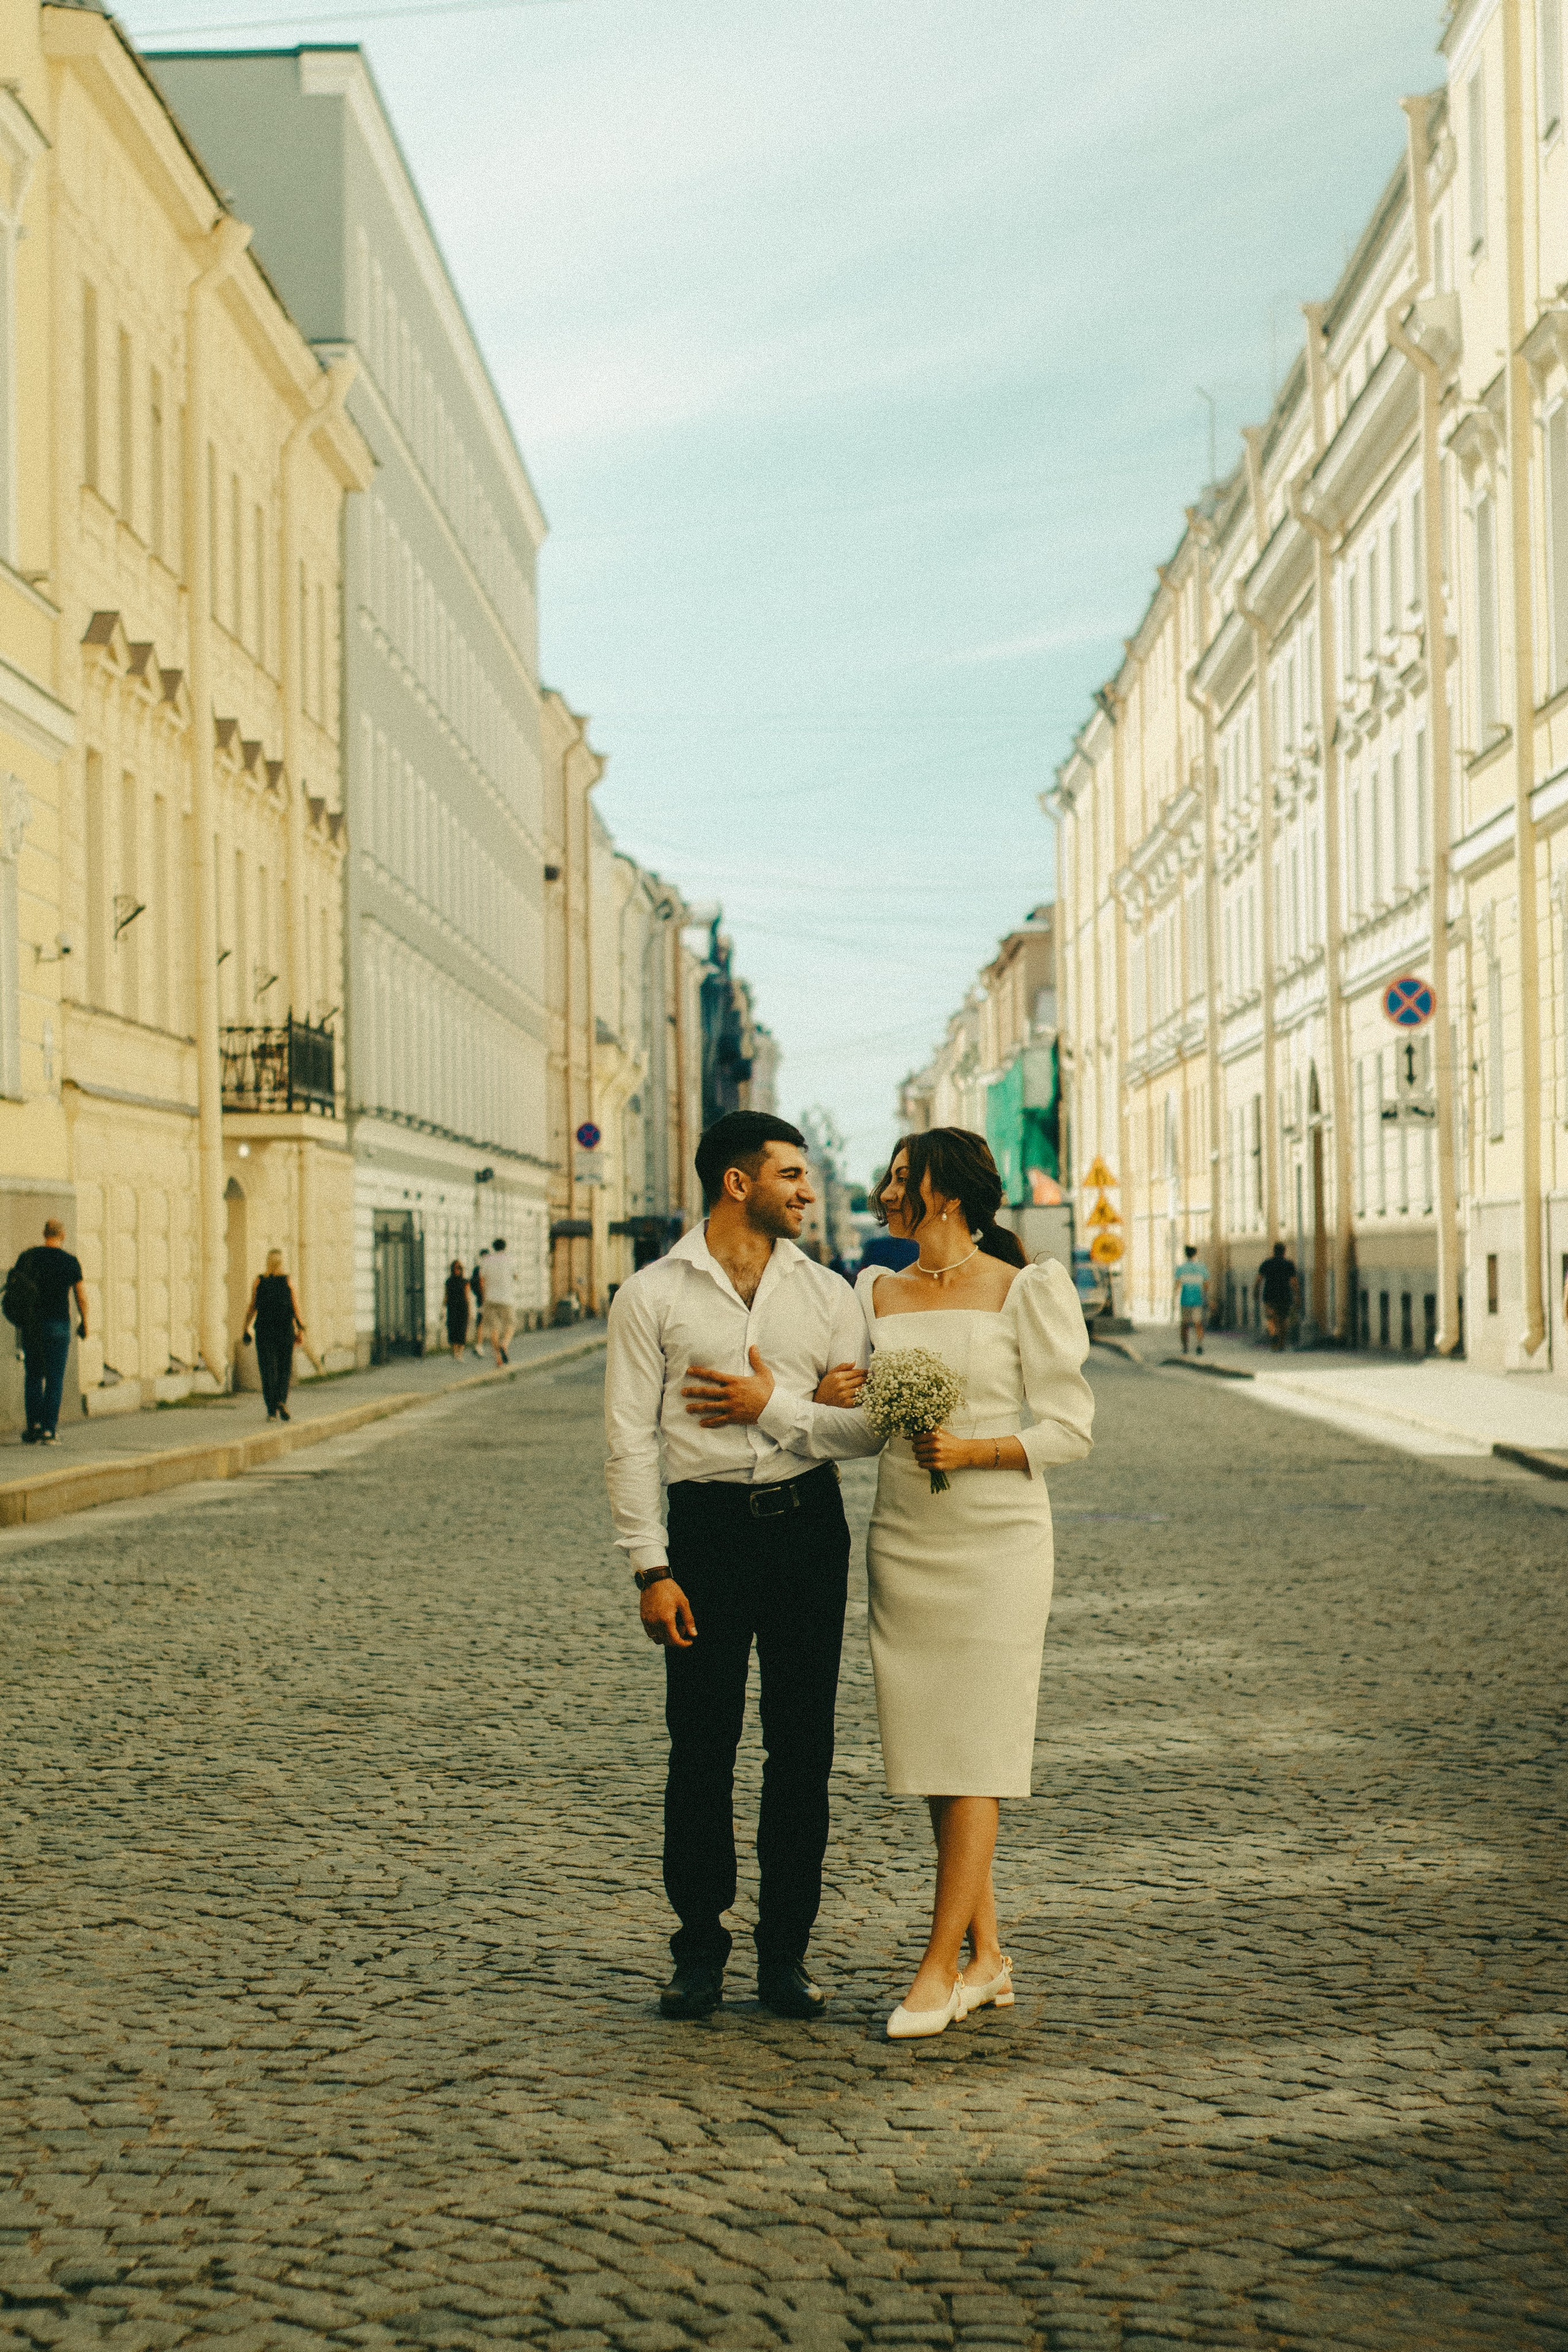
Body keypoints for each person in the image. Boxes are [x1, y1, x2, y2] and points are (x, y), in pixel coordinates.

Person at [801, 1128, 1095, 2040]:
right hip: (905, 1535)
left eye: (900, 1178)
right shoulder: (872, 1291)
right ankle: (991, 1958)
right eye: (887, 1177)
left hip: (997, 1541)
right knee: (938, 1752)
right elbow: (858, 1426)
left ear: (948, 1192)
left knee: (977, 1749)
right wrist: (828, 1398)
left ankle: (939, 1971)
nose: (887, 1192)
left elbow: (1072, 1428)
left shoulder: (1025, 1287)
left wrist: (975, 1450)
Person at [604, 1110, 879, 2023]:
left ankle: (786, 1956)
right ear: (737, 1183)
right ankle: (698, 1950)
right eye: (791, 1175)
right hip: (706, 1535)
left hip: (808, 1529)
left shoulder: (831, 1296)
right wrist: (652, 1568)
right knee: (702, 1748)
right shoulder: (653, 1296)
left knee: (803, 1751)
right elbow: (629, 1443)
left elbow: (865, 1430)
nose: (807, 1190)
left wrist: (773, 1404)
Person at [11, 1219, 87, 1444]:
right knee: (55, 1378)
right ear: (62, 1235)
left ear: (44, 1233)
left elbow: (16, 1286)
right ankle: (49, 1431)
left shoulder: (29, 1257)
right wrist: (85, 1322)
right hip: (59, 1325)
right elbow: (81, 1295)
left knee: (34, 1375)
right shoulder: (70, 1261)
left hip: (32, 1326)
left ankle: (33, 1427)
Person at [243, 1250, 304, 1420]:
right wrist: (300, 1329)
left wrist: (245, 1328)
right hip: (285, 1330)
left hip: (264, 1330)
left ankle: (271, 1411)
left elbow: (252, 1307)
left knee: (268, 1369)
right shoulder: (288, 1281)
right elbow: (295, 1307)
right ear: (281, 1263)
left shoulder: (259, 1281)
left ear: (267, 1262)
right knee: (285, 1369)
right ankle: (281, 1401)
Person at [474, 1236, 516, 1365]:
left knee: (494, 1328)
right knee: (511, 1324)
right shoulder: (511, 1260)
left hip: (490, 1298)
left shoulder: (487, 1260)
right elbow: (515, 1276)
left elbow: (481, 1280)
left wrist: (484, 1294)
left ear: (494, 1247)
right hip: (506, 1299)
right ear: (505, 1247)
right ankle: (504, 1344)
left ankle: (498, 1358)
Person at [1255, 1241, 1298, 1351]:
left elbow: (1259, 1280)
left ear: (1274, 1251)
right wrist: (1298, 1295)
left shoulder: (1267, 1263)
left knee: (1270, 1317)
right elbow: (1294, 1282)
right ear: (1284, 1252)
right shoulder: (1289, 1264)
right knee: (1283, 1320)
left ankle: (1274, 1333)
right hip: (1285, 1295)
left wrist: (1256, 1292)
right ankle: (1281, 1343)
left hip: (1269, 1295)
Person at [1174, 1243, 1209, 1355]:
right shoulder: (1202, 1268)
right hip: (1198, 1300)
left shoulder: (1181, 1269)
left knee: (1184, 1325)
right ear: (1196, 1254)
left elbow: (1177, 1286)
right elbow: (1206, 1285)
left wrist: (1174, 1301)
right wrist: (1205, 1296)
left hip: (1185, 1300)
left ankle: (1185, 1347)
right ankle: (1199, 1345)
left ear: (1186, 1255)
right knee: (1198, 1324)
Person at [444, 1259, 472, 1361]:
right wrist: (443, 1309)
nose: (457, 1271)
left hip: (462, 1307)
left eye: (459, 1269)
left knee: (462, 1329)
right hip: (452, 1307)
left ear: (461, 1270)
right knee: (452, 1328)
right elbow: (446, 1295)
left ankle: (460, 1352)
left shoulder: (465, 1282)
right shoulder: (449, 1281)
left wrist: (470, 1311)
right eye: (455, 1269)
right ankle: (455, 1352)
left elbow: (467, 1296)